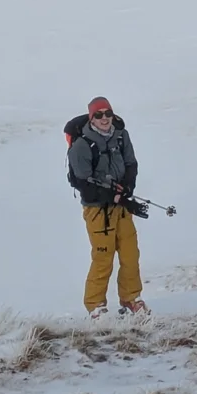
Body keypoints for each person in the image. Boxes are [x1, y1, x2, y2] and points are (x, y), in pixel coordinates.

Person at [67, 96, 148, 318]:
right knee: (103, 257)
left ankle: (131, 298)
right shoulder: (81, 146)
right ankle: (96, 306)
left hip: (121, 207)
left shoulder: (121, 136)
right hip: (97, 210)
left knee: (130, 254)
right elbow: (83, 183)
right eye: (99, 114)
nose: (105, 119)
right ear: (92, 118)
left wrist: (128, 188)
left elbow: (131, 163)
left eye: (108, 113)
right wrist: (113, 197)